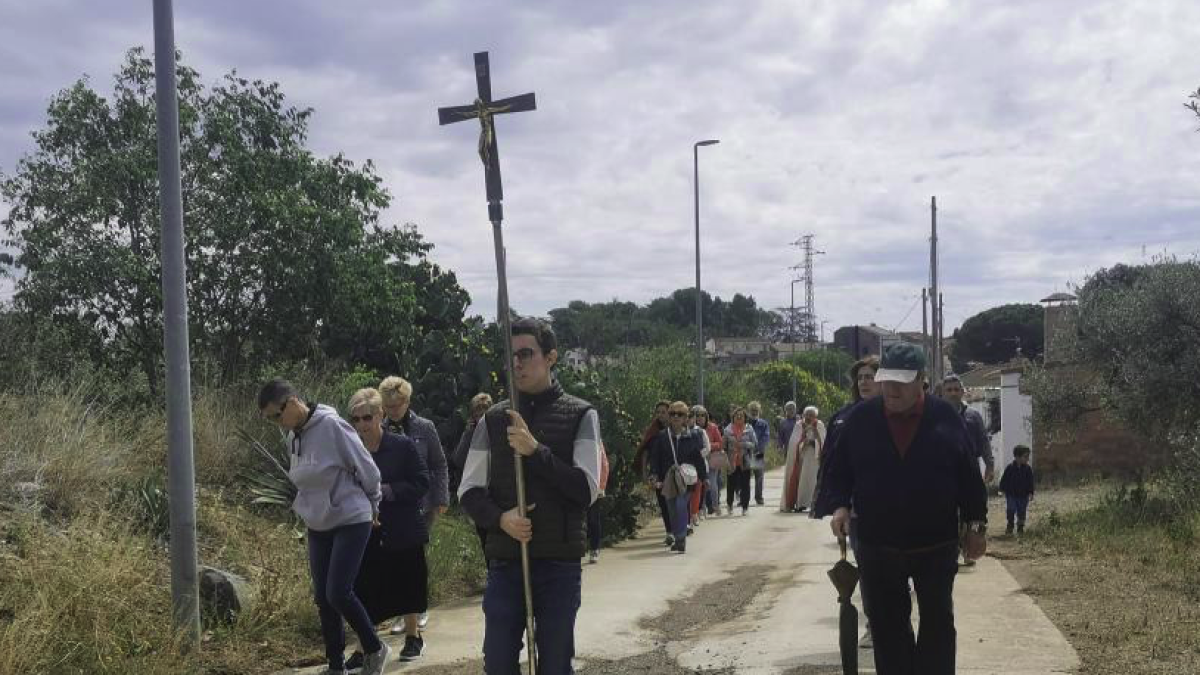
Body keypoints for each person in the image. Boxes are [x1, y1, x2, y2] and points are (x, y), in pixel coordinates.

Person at [824, 344, 988, 675]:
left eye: (901, 381)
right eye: (887, 380)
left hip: (935, 543)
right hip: (877, 544)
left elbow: (969, 476)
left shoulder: (944, 417)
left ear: (921, 381)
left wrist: (976, 526)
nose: (892, 389)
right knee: (886, 626)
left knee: (938, 623)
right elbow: (839, 469)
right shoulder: (860, 419)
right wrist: (840, 506)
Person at [458, 317, 601, 675]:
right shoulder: (492, 420)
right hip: (506, 562)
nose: (517, 363)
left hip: (558, 564)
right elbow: (469, 492)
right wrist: (501, 519)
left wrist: (536, 451)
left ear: (550, 357)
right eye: (511, 356)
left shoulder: (581, 414)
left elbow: (587, 489)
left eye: (526, 353)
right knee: (499, 663)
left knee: (554, 664)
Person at [257, 379, 390, 675]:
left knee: (338, 592)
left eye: (277, 416)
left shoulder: (332, 426)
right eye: (271, 420)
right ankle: (335, 665)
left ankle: (375, 647)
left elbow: (368, 469)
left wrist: (374, 505)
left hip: (351, 517)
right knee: (323, 597)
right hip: (318, 523)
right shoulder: (293, 436)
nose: (278, 424)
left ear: (292, 403)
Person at [345, 388, 430, 668]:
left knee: (408, 583)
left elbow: (421, 482)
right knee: (365, 588)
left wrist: (386, 491)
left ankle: (413, 635)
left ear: (380, 415)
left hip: (402, 526)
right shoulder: (350, 450)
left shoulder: (402, 446)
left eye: (366, 418)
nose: (361, 425)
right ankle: (364, 646)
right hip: (366, 530)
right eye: (355, 419)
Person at [811, 354, 880, 648]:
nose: (864, 382)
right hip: (858, 509)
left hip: (894, 506)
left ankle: (895, 621)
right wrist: (836, 505)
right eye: (860, 377)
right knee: (867, 567)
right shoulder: (843, 417)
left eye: (870, 377)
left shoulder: (895, 416)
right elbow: (831, 465)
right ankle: (875, 625)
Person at [379, 376, 448, 634]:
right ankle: (401, 613)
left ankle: (418, 609)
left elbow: (439, 464)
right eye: (388, 405)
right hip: (391, 504)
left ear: (407, 401)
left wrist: (441, 499)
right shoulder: (379, 429)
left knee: (415, 558)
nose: (393, 410)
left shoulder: (425, 427)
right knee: (395, 559)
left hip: (423, 503)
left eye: (397, 405)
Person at [650, 401, 708, 553]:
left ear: (686, 417)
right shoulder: (662, 436)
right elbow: (655, 458)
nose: (676, 417)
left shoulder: (693, 436)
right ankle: (677, 536)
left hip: (686, 478)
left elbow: (698, 459)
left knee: (681, 505)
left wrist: (704, 477)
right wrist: (654, 475)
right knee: (671, 509)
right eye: (672, 414)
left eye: (680, 414)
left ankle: (681, 539)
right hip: (668, 479)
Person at [941, 375, 996, 483]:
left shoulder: (973, 415)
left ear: (962, 392)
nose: (953, 393)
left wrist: (989, 466)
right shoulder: (935, 415)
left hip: (970, 469)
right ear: (943, 393)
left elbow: (983, 442)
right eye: (949, 390)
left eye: (956, 390)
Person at [637, 401, 674, 544]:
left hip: (673, 473)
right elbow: (645, 452)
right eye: (658, 412)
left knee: (675, 503)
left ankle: (680, 528)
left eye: (663, 412)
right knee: (663, 502)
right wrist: (645, 474)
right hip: (657, 472)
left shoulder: (676, 429)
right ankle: (669, 532)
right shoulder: (653, 431)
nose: (660, 415)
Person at [781, 406, 824, 513]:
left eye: (811, 415)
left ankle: (814, 504)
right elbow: (793, 442)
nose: (809, 417)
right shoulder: (799, 425)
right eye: (807, 415)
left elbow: (824, 441)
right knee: (801, 480)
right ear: (803, 415)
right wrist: (802, 444)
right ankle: (800, 504)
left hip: (814, 459)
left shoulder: (819, 425)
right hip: (801, 458)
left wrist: (813, 443)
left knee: (813, 481)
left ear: (815, 416)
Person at [723, 407, 757, 516]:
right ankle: (729, 505)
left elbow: (755, 443)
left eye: (741, 415)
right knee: (731, 485)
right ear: (733, 417)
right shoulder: (728, 430)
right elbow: (724, 445)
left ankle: (745, 507)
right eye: (736, 415)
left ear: (745, 417)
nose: (739, 417)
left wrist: (744, 444)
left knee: (745, 485)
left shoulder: (749, 429)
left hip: (745, 460)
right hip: (732, 460)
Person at [693, 405, 726, 516]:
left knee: (712, 485)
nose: (700, 417)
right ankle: (700, 509)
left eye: (703, 415)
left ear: (706, 416)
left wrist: (708, 446)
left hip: (711, 460)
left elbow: (720, 443)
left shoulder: (712, 427)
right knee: (699, 486)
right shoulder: (690, 429)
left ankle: (716, 506)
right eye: (697, 415)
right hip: (697, 461)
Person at [999, 445, 1035, 535]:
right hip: (1011, 494)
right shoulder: (1010, 468)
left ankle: (1020, 528)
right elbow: (1004, 479)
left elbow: (1031, 482)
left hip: (1023, 496)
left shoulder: (1028, 469)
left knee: (1021, 512)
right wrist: (1002, 489)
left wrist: (1031, 492)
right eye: (1025, 456)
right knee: (1011, 509)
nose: (1027, 459)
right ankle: (1010, 525)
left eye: (1028, 456)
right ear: (1017, 457)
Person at [586, 442, 611, 563]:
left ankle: (594, 549)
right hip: (578, 483)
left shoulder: (597, 441)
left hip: (595, 487)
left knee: (593, 519)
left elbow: (604, 465)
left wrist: (601, 487)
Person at [747, 401, 771, 506]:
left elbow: (765, 437)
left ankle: (759, 497)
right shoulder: (745, 422)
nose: (754, 412)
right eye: (752, 410)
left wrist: (757, 447)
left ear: (759, 411)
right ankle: (744, 498)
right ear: (749, 411)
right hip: (746, 452)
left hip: (757, 452)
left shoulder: (763, 423)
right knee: (745, 477)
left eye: (756, 410)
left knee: (759, 477)